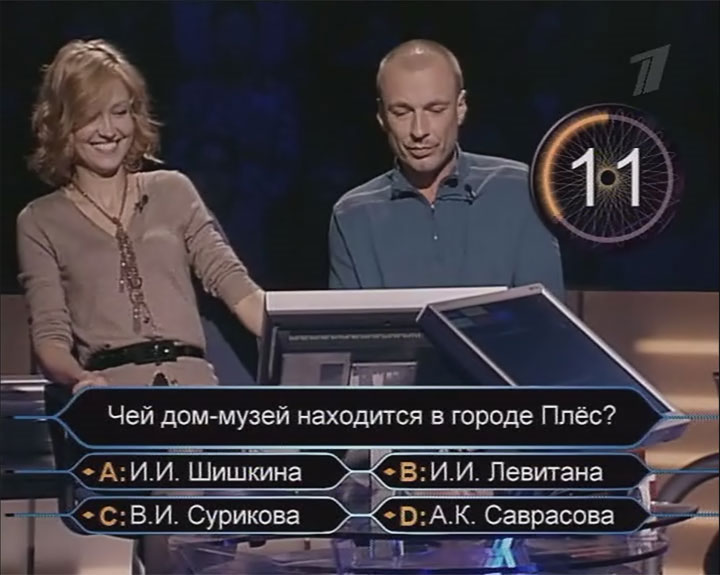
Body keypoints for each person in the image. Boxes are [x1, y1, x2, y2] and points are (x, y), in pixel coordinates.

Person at [17, 38, 265, 394]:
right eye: (90, 116)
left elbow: (238, 289)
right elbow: (50, 338)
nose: (108, 130)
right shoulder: (40, 220)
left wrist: (304, 340)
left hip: (195, 396)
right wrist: (81, 379)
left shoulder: (172, 190)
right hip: (112, 397)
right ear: (62, 123)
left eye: (119, 112)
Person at [328, 39, 564, 298]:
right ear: (382, 116)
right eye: (402, 112)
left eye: (435, 110)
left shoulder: (520, 191)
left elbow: (545, 317)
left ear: (460, 108)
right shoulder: (352, 215)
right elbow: (350, 322)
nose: (419, 130)